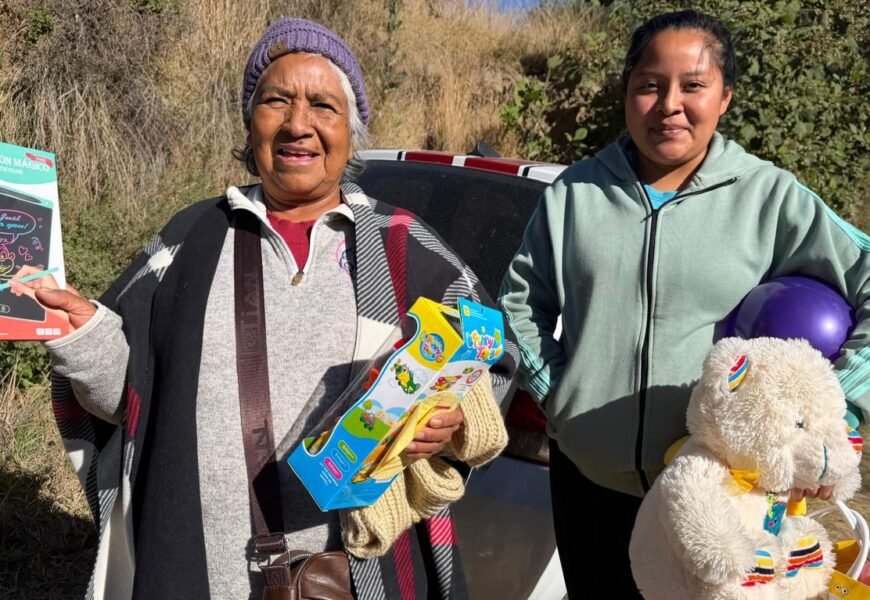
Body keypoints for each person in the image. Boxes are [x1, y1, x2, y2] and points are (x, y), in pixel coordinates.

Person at [13, 17, 514, 600]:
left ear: (352, 132)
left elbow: (490, 364)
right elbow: (123, 400)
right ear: (251, 123)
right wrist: (86, 336)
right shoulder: (188, 240)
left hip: (350, 575)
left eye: (324, 106)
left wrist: (449, 425)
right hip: (196, 568)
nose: (298, 124)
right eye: (277, 100)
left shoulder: (405, 248)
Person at [498, 9, 870, 598]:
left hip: (721, 502)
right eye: (649, 84)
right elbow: (520, 303)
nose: (669, 103)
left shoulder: (768, 196)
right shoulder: (576, 194)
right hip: (588, 484)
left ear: (724, 97)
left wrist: (835, 412)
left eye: (693, 85)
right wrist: (559, 394)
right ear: (627, 93)